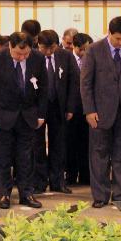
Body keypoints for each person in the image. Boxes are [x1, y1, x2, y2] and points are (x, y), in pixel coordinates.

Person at [80, 16, 121, 208]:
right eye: (118, 38)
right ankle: (100, 196)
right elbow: (85, 83)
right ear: (109, 33)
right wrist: (89, 110)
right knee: (99, 155)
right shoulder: (94, 50)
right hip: (100, 112)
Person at [0, 31, 47, 209]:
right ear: (10, 46)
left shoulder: (38, 58)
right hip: (3, 116)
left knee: (25, 158)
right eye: (18, 54)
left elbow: (43, 88)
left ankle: (26, 193)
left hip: (28, 116)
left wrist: (41, 114)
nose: (22, 57)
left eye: (26, 54)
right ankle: (4, 194)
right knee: (3, 157)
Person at [34, 29, 78, 194]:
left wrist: (70, 107)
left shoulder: (65, 56)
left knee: (59, 145)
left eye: (51, 48)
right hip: (38, 108)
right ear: (38, 45)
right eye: (44, 48)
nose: (48, 52)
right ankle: (39, 181)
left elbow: (74, 83)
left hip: (59, 106)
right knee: (37, 145)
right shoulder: (32, 56)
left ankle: (57, 181)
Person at [65, 32, 92, 186]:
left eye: (86, 49)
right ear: (74, 47)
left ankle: (85, 175)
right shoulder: (68, 60)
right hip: (71, 109)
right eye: (81, 49)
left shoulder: (92, 59)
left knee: (87, 144)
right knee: (70, 143)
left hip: (88, 110)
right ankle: (70, 175)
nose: (84, 53)